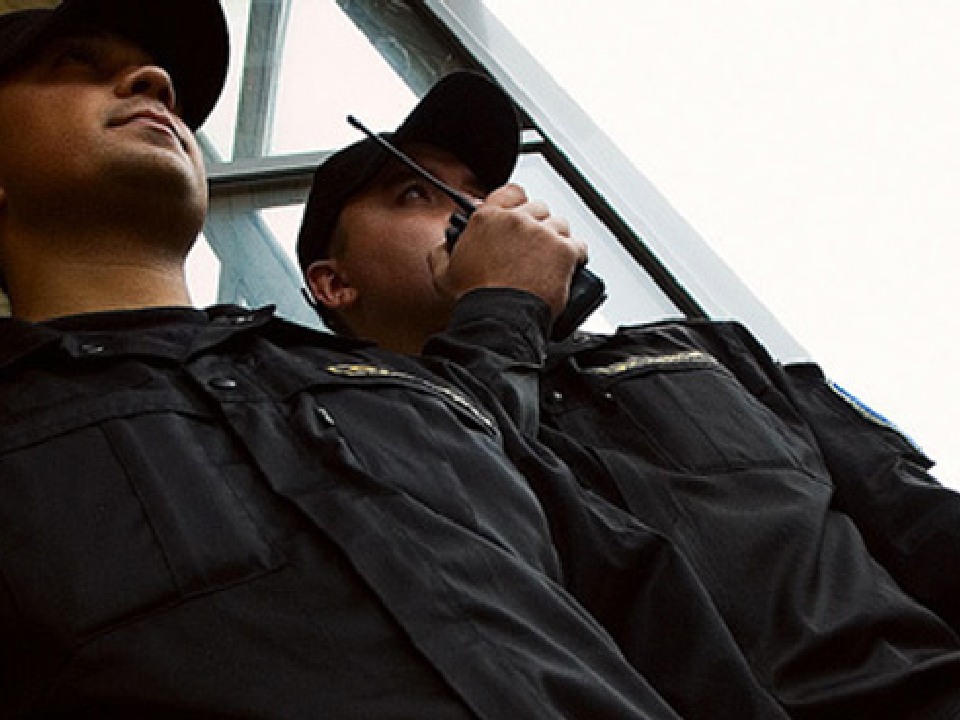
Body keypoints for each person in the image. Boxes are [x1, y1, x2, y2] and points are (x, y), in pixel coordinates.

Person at [0, 3, 793, 719]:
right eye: (76, 61)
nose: (156, 81)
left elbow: (657, 622)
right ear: (330, 283)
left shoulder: (403, 392)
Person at [297, 69, 960, 720]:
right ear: (335, 284)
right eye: (416, 193)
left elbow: (916, 517)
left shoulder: (705, 349)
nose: (478, 210)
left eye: (481, 190)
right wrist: (504, 304)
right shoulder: (349, 434)